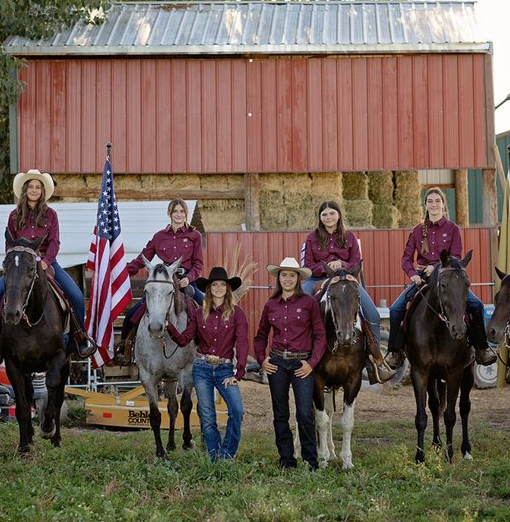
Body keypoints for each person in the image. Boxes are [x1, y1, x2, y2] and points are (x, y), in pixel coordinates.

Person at [0, 170, 95, 366]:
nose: (34, 190)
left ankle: (80, 339)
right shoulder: (14, 215)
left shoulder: (51, 215)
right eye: (31, 187)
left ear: (42, 191)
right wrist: (12, 263)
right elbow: (9, 244)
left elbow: (55, 242)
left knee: (75, 295)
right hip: (20, 266)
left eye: (38, 187)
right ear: (24, 190)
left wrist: (45, 261)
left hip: (46, 262)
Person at [385, 187, 490, 369]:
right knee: (395, 309)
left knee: (477, 305)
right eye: (430, 201)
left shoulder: (452, 229)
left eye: (437, 201)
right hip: (422, 278)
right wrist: (412, 275)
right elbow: (406, 258)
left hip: (448, 277)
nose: (434, 204)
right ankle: (395, 352)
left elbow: (456, 256)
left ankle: (481, 348)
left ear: (443, 204)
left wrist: (437, 267)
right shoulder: (417, 230)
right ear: (425, 205)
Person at [300, 200, 394, 383]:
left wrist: (342, 265)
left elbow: (356, 261)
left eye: (332, 213)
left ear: (339, 215)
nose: (328, 217)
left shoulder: (349, 237)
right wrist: (327, 269)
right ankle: (301, 354)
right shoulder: (311, 238)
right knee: (301, 308)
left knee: (372, 314)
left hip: (347, 280)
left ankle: (375, 359)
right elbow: (307, 266)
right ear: (320, 217)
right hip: (317, 279)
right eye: (324, 214)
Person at [166, 266, 247, 462]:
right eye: (214, 285)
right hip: (201, 369)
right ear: (209, 288)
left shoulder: (237, 313)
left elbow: (243, 343)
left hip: (225, 369)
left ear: (227, 288)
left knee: (237, 411)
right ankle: (214, 457)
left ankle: (226, 454)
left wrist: (238, 374)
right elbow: (186, 339)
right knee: (208, 416)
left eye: (222, 285)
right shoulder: (199, 312)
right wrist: (169, 327)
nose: (218, 288)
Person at [254, 257, 326, 470]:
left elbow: (320, 336)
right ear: (279, 278)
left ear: (298, 279)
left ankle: (311, 461)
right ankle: (286, 460)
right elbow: (260, 336)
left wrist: (311, 364)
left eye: (291, 275)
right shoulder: (271, 305)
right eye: (283, 275)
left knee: (304, 413)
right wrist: (262, 359)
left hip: (302, 365)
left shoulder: (309, 303)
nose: (287, 279)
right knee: (280, 413)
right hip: (277, 363)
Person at [113, 199, 204, 363]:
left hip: (185, 282)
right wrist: (121, 273)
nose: (178, 215)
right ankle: (126, 347)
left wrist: (188, 279)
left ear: (186, 214)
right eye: (175, 211)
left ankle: (207, 350)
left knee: (207, 310)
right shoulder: (159, 237)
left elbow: (198, 264)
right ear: (169, 213)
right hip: (163, 284)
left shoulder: (194, 236)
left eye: (181, 211)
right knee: (133, 315)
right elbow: (142, 259)